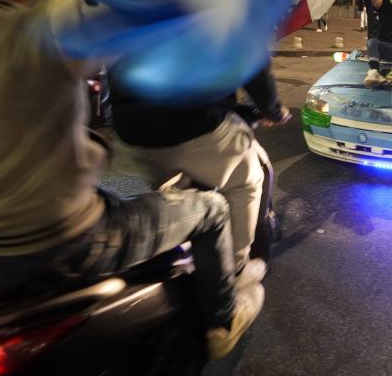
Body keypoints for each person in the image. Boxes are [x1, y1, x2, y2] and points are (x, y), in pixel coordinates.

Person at [0, 0, 265, 359]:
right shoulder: (42, 25)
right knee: (212, 209)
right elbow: (156, 3)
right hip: (58, 245)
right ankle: (223, 320)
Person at [110, 62, 290, 270]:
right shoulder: (228, 27)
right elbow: (255, 68)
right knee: (247, 181)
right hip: (193, 121)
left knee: (148, 187)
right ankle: (235, 268)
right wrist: (275, 111)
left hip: (127, 128)